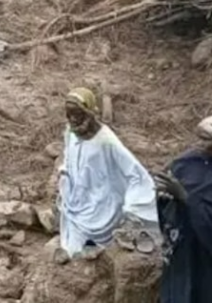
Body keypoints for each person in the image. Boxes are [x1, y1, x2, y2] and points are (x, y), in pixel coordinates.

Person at [57, 87, 158, 258]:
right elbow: (69, 156)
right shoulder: (72, 133)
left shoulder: (106, 141)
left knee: (85, 241)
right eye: (69, 114)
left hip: (102, 204)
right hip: (78, 199)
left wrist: (132, 207)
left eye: (77, 114)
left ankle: (98, 243)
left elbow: (135, 174)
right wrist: (65, 172)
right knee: (72, 247)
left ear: (88, 113)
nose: (73, 119)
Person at [154, 116, 212, 303]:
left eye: (206, 139)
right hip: (181, 248)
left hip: (205, 258)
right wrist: (163, 199)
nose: (199, 144)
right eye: (198, 137)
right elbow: (167, 206)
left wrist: (185, 197)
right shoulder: (185, 162)